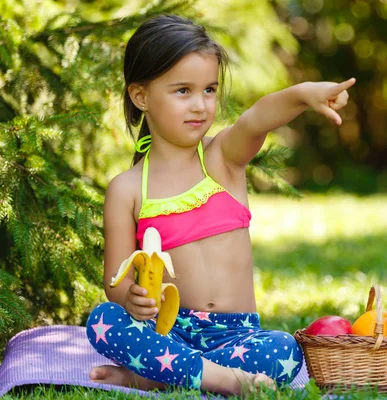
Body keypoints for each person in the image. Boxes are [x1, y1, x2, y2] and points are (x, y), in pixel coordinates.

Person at [85, 14, 355, 396]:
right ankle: (220, 380)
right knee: (103, 321)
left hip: (237, 334)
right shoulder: (127, 189)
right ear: (140, 96)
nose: (200, 105)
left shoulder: (221, 158)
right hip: (168, 330)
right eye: (183, 91)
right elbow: (115, 279)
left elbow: (258, 118)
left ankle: (156, 375)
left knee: (284, 351)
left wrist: (304, 94)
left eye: (209, 90)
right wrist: (132, 297)